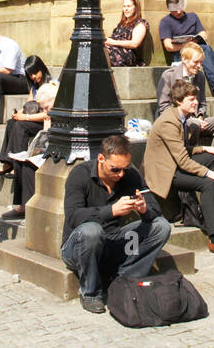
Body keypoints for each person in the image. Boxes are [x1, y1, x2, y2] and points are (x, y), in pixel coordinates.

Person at [62, 134, 172, 313]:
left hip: (114, 241)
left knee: (161, 226)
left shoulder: (130, 175)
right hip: (78, 247)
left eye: (124, 169)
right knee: (92, 231)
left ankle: (124, 279)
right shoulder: (79, 175)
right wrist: (111, 211)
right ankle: (91, 293)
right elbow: (73, 217)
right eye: (115, 170)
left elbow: (155, 210)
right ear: (101, 159)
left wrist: (144, 209)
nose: (120, 174)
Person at [143, 79, 214, 257]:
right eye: (191, 99)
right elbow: (183, 161)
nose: (196, 102)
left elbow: (180, 150)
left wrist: (205, 148)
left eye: (196, 98)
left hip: (175, 163)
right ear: (178, 101)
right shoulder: (169, 122)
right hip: (166, 172)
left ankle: (209, 208)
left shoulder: (181, 117)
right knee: (207, 183)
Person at [0, 81, 58, 220]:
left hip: (57, 153)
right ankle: (23, 206)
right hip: (48, 149)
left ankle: (30, 208)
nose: (45, 111)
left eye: (46, 107)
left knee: (28, 165)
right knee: (21, 161)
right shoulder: (50, 113)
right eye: (43, 109)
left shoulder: (62, 112)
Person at [155, 43, 214, 147]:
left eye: (201, 62)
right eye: (196, 62)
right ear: (184, 59)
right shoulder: (168, 76)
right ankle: (191, 154)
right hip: (175, 120)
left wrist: (200, 117)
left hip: (196, 119)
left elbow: (202, 103)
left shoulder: (200, 76)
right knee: (194, 124)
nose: (199, 66)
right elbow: (163, 106)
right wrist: (188, 119)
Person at [0, 56, 52, 178]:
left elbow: (48, 114)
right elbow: (28, 104)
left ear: (42, 69)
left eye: (35, 73)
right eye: (30, 75)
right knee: (11, 122)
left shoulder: (52, 85)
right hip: (33, 117)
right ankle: (8, 162)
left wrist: (26, 117)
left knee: (20, 125)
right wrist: (18, 114)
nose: (33, 77)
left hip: (44, 121)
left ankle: (17, 164)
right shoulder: (34, 86)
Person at [105, 0, 151, 67]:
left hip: (128, 55)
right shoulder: (121, 24)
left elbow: (134, 43)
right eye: (124, 6)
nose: (126, 9)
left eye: (129, 6)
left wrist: (113, 42)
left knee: (103, 51)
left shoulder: (140, 24)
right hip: (114, 50)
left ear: (136, 7)